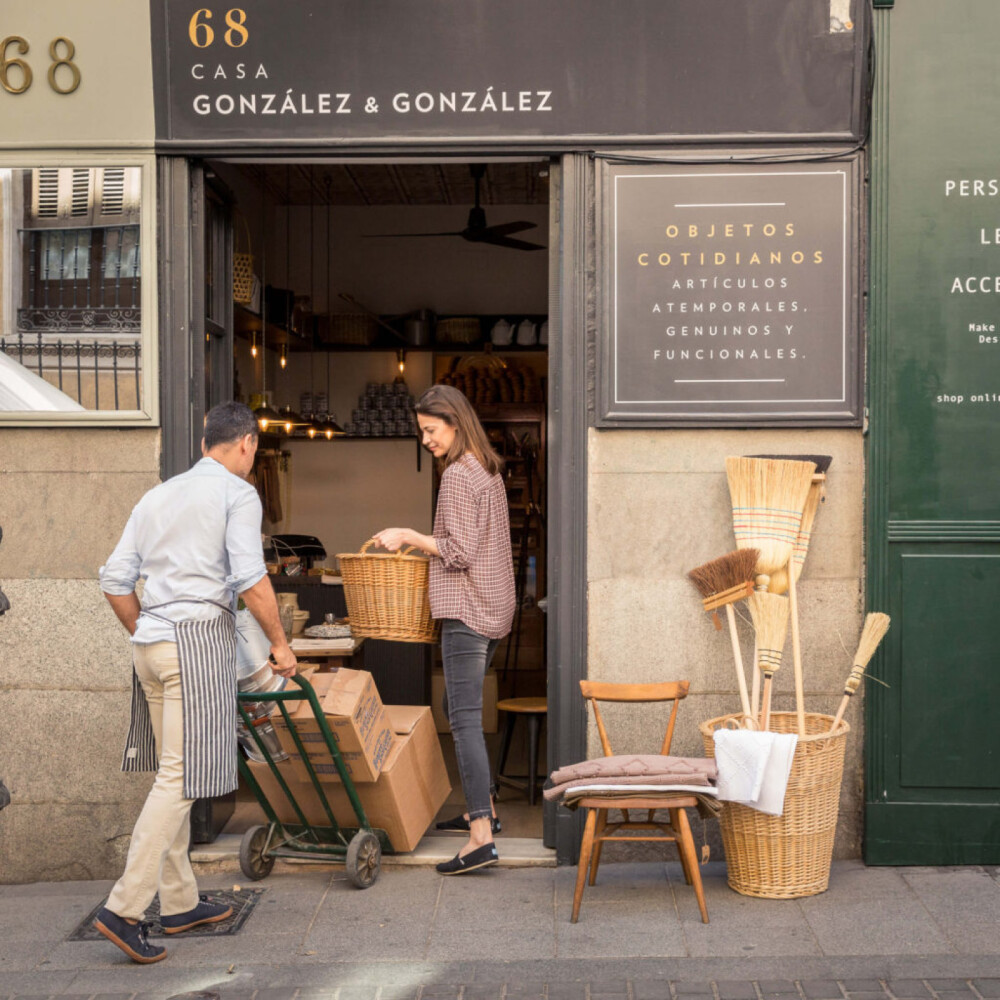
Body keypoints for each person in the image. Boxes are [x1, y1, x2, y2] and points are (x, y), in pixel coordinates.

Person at [95, 401, 297, 963]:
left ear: (207, 440)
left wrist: (149, 630)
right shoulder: (237, 494)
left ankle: (180, 903)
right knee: (181, 779)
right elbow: (251, 578)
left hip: (150, 646)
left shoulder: (157, 495)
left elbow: (114, 580)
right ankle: (125, 909)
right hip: (196, 644)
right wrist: (280, 644)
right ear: (247, 445)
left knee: (169, 772)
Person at [374, 384, 515, 876]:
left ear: (455, 422)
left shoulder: (458, 474)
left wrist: (408, 535)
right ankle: (488, 811)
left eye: (431, 431)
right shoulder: (488, 469)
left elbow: (457, 552)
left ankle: (479, 835)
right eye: (423, 433)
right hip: (495, 608)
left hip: (467, 610)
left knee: (464, 720)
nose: (427, 440)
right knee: (469, 716)